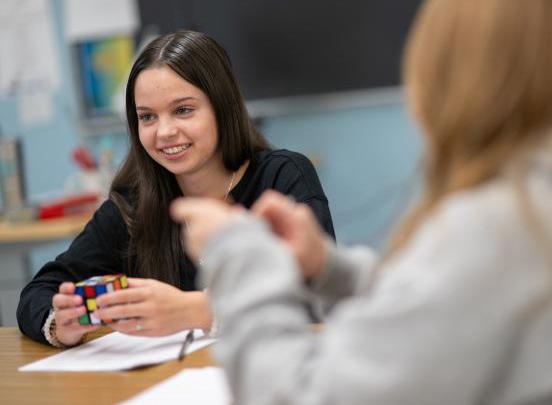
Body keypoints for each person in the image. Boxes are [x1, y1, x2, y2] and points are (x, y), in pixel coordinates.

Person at [170, 0, 552, 404]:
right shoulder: (548, 202)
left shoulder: (498, 225)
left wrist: (237, 258)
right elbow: (446, 309)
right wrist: (332, 272)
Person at [17, 30, 334, 347]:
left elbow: (314, 296)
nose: (165, 132)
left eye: (183, 110)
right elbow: (40, 291)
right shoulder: (131, 206)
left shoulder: (281, 178)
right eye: (147, 117)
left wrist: (194, 310)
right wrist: (60, 323)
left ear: (222, 108)